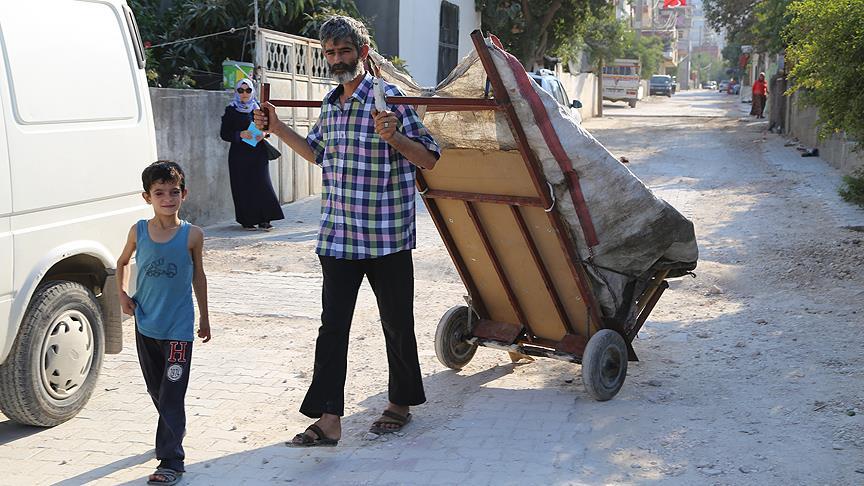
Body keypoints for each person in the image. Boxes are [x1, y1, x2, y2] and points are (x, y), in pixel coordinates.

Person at [254, 15, 440, 446]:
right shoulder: (331, 103)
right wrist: (278, 127)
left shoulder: (389, 100)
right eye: (330, 54)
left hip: (386, 237)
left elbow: (429, 159)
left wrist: (395, 138)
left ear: (363, 53)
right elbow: (317, 153)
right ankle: (328, 419)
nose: (337, 60)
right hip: (338, 237)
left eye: (344, 52)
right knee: (332, 327)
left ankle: (400, 403)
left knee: (396, 323)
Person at [116, 160, 212, 485]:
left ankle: (171, 460)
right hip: (146, 325)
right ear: (147, 197)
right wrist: (122, 296)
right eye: (160, 193)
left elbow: (199, 276)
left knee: (172, 393)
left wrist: (206, 318)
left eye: (174, 192)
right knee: (157, 389)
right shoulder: (138, 231)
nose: (167, 198)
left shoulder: (192, 235)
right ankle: (173, 427)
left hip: (179, 331)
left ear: (183, 194)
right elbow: (121, 262)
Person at [220, 79, 284, 231]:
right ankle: (247, 220)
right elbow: (224, 134)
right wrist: (240, 134)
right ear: (236, 92)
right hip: (238, 154)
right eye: (240, 90)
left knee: (262, 184)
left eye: (247, 90)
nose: (244, 94)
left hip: (258, 152)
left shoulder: (258, 108)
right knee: (242, 186)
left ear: (252, 91)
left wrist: (264, 134)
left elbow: (268, 128)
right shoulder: (231, 110)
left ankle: (265, 219)